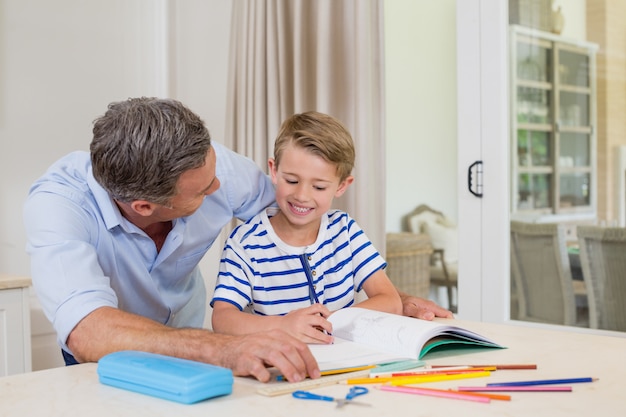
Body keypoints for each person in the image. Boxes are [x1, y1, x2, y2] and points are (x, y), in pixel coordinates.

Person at [23, 97, 450, 383]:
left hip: (196, 339)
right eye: (202, 192)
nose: (217, 190)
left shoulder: (211, 167)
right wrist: (227, 348)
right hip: (112, 354)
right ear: (145, 207)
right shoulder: (59, 207)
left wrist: (390, 297)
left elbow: (300, 219)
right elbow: (88, 330)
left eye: (214, 175)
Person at [210, 111, 403, 343]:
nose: (302, 196)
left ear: (342, 186)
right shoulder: (245, 243)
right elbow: (223, 319)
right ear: (274, 170)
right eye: (292, 181)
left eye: (319, 187)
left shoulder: (345, 231)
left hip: (345, 363)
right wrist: (283, 325)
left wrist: (332, 321)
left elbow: (389, 300)